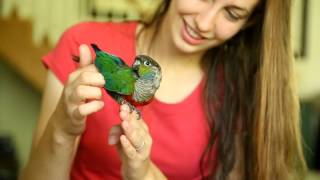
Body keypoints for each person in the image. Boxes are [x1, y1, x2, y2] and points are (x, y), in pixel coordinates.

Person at [20, 0, 307, 179]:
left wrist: (142, 173)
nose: (204, 23)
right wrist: (63, 129)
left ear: (248, 24)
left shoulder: (239, 94)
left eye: (231, 13)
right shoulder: (83, 45)